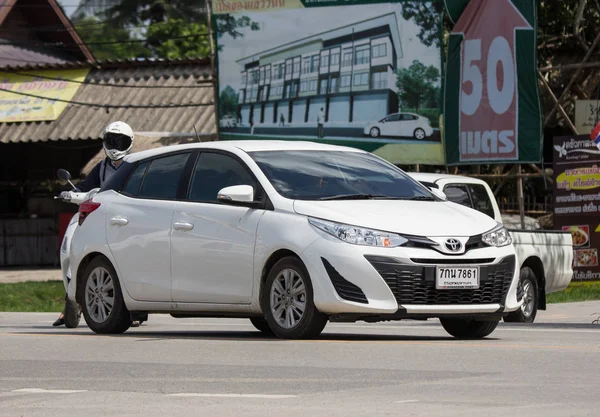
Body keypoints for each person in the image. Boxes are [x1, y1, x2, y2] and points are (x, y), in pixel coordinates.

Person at [53, 121, 139, 327]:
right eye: (111, 141)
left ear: (130, 143)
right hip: (99, 218)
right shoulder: (101, 167)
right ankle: (70, 306)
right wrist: (71, 193)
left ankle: (132, 311)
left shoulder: (134, 165)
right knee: (78, 256)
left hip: (125, 221)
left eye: (120, 141)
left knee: (120, 263)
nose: (115, 146)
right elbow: (84, 187)